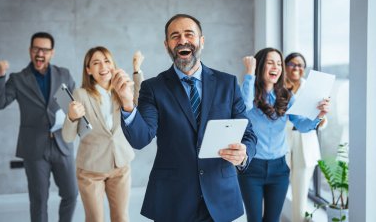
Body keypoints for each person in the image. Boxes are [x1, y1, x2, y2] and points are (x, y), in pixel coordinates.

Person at [110, 14, 258, 222]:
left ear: (201, 41)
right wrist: (126, 102)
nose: (182, 41)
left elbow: (248, 134)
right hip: (172, 199)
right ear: (167, 45)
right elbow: (141, 139)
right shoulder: (153, 88)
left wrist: (243, 154)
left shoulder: (228, 83)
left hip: (219, 196)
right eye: (175, 36)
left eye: (189, 34)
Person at [238, 48, 330, 222]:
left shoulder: (286, 95)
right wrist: (249, 74)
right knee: (254, 219)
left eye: (279, 63)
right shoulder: (248, 91)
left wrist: (319, 115)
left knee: (273, 219)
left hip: (279, 168)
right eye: (270, 62)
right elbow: (244, 107)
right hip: (252, 168)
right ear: (259, 65)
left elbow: (302, 125)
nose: (276, 67)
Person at [0, 32, 78, 222]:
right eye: (36, 49)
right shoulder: (18, 79)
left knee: (71, 195)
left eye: (45, 50)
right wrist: (0, 76)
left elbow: (71, 106)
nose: (40, 53)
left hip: (62, 144)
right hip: (34, 148)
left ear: (52, 53)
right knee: (39, 200)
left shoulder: (63, 74)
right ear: (30, 51)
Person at [62, 47, 144, 222]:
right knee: (95, 219)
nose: (103, 66)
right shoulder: (80, 94)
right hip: (91, 170)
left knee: (121, 218)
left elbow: (140, 103)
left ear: (113, 65)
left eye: (107, 61)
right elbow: (68, 137)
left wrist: (136, 70)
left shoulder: (121, 90)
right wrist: (71, 117)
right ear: (88, 70)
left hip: (120, 166)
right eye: (96, 63)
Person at [284, 52, 327, 222]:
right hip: (282, 142)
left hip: (305, 142)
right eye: (292, 64)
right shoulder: (278, 87)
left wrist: (320, 116)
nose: (297, 68)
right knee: (276, 189)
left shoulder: (312, 89)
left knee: (300, 193)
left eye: (300, 65)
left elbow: (323, 122)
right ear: (285, 66)